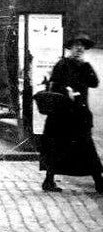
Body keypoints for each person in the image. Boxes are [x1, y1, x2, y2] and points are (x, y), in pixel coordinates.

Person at [40, 34, 103, 193]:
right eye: (76, 45)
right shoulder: (62, 64)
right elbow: (53, 86)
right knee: (57, 148)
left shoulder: (85, 66)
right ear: (70, 48)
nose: (79, 49)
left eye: (82, 46)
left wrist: (86, 66)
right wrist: (65, 89)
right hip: (62, 115)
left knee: (87, 148)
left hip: (80, 115)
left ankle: (99, 182)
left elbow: (94, 83)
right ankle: (49, 181)